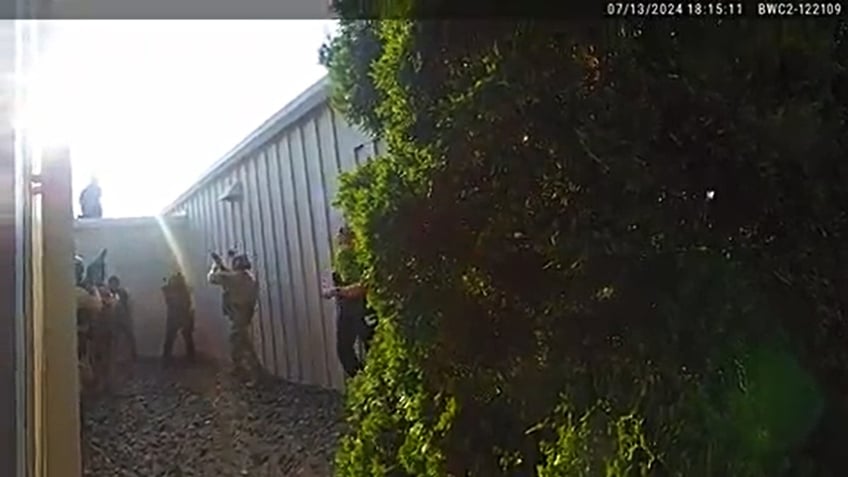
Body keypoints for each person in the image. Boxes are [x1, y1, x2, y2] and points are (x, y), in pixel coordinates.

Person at [321, 225, 377, 378]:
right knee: (346, 349)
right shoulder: (346, 256)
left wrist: (335, 291)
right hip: (350, 308)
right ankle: (364, 381)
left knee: (370, 347)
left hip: (361, 307)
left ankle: (371, 384)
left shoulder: (351, 256)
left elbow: (360, 288)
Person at [207, 252, 264, 383]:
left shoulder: (233, 278)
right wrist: (222, 265)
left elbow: (211, 278)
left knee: (240, 343)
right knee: (241, 342)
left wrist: (215, 265)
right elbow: (230, 277)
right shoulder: (248, 278)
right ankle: (241, 370)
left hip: (238, 314)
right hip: (245, 314)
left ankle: (253, 374)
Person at [160, 272, 196, 364]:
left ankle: (167, 359)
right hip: (180, 316)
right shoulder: (183, 291)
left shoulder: (176, 291)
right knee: (175, 339)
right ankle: (168, 359)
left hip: (178, 316)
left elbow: (189, 305)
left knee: (178, 339)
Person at [107, 275, 138, 360]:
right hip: (114, 318)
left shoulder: (122, 292)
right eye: (111, 284)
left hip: (122, 316)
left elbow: (124, 304)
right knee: (114, 337)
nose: (113, 285)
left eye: (114, 284)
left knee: (129, 334)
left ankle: (134, 353)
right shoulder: (107, 293)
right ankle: (113, 355)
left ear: (117, 284)